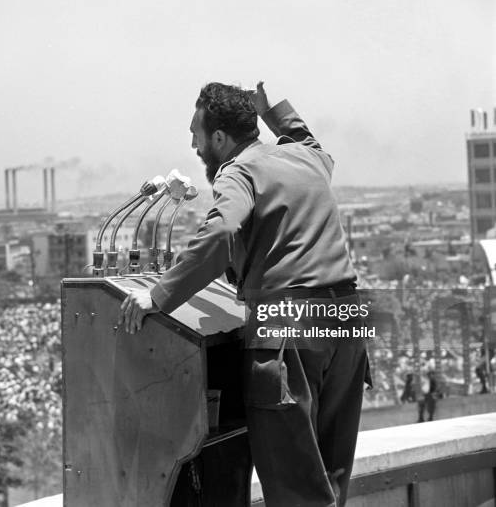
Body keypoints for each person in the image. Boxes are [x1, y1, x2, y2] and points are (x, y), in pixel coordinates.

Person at [120, 81, 370, 507]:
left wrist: (159, 295)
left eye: (196, 133)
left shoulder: (237, 172)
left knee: (297, 491)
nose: (194, 144)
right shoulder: (306, 158)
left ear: (220, 137)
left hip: (289, 323)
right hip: (346, 320)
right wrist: (275, 110)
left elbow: (220, 233)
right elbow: (309, 138)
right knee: (331, 480)